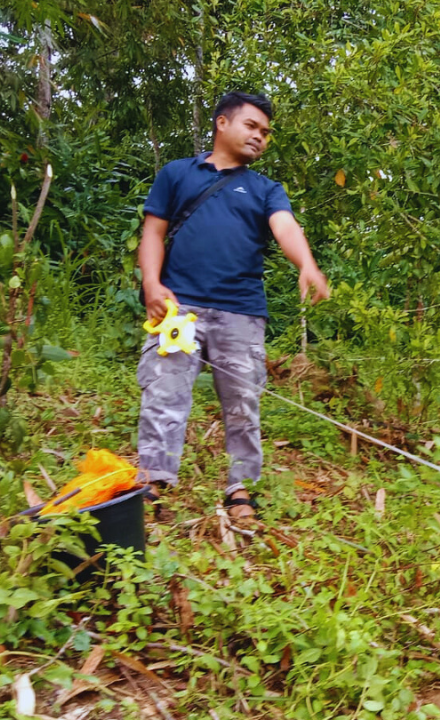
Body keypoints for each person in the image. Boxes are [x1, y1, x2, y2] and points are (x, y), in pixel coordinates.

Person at [136, 91, 330, 519]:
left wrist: (307, 264)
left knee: (243, 405)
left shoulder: (265, 189)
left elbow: (285, 227)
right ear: (222, 123)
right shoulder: (176, 174)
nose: (260, 137)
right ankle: (152, 481)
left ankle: (240, 489)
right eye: (251, 126)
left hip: (241, 313)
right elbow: (153, 233)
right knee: (163, 394)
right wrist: (151, 283)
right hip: (178, 309)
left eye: (265, 132)